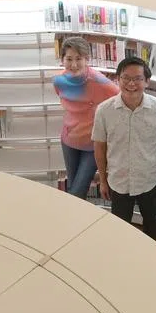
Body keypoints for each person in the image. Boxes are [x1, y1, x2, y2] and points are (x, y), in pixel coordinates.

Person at [92, 56, 156, 241]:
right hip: (119, 181)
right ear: (117, 79)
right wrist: (103, 180)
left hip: (151, 179)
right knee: (120, 230)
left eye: (137, 78)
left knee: (152, 226)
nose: (131, 83)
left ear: (147, 82)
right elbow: (99, 146)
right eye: (126, 78)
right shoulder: (104, 110)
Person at [52, 37, 119, 198]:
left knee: (77, 191)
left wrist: (155, 107)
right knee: (74, 187)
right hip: (69, 140)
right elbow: (69, 108)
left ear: (87, 59)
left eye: (79, 59)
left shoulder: (97, 80)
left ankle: (72, 221)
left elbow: (122, 96)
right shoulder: (58, 81)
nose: (73, 65)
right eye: (69, 59)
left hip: (92, 144)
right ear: (62, 59)